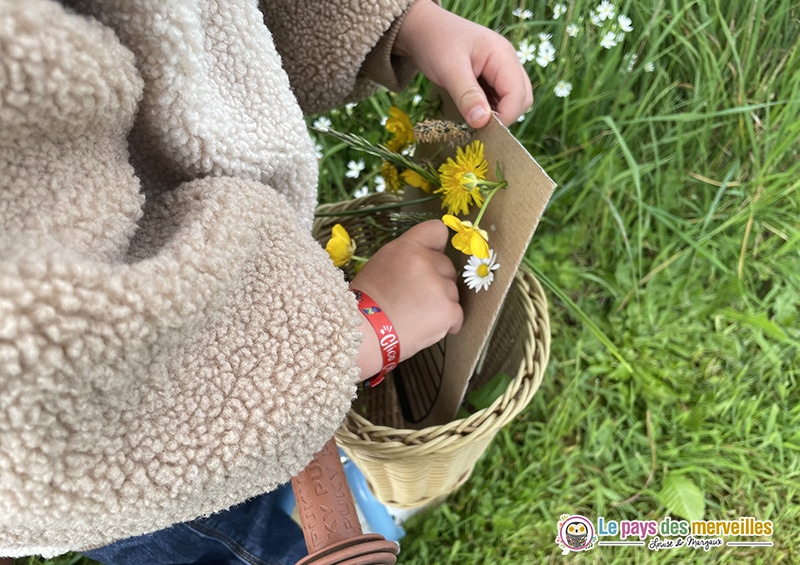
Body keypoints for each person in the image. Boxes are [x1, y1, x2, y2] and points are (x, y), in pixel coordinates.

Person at [0, 0, 531, 562]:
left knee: (277, 449)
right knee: (227, 538)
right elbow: (43, 386)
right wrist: (354, 335)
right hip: (131, 463)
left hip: (247, 325)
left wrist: (396, 23)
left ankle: (303, 465)